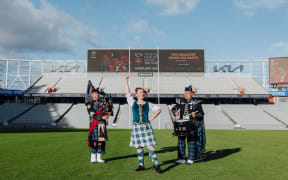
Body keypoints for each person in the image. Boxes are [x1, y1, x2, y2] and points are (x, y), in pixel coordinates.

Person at [124, 75, 162, 174]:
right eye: (140, 92)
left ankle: (156, 165)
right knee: (139, 147)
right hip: (136, 126)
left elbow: (159, 110)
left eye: (143, 92)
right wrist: (126, 82)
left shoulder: (148, 104)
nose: (142, 94)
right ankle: (141, 165)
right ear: (136, 94)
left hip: (146, 126)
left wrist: (151, 118)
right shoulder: (132, 102)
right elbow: (128, 94)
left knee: (150, 146)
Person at [171, 85, 206, 164]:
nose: (186, 95)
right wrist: (175, 112)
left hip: (192, 125)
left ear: (191, 94)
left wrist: (195, 115)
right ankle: (181, 158)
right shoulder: (180, 101)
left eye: (188, 93)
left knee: (191, 141)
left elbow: (201, 114)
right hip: (182, 124)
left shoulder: (196, 102)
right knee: (181, 141)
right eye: (185, 93)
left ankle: (191, 158)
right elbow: (173, 109)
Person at [85, 81, 113, 163]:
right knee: (94, 142)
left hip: (102, 124)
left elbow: (109, 97)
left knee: (100, 142)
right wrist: (102, 117)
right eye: (94, 93)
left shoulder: (102, 102)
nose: (95, 95)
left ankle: (99, 158)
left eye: (97, 93)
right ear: (92, 95)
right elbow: (92, 114)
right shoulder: (89, 103)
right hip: (94, 124)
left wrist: (102, 92)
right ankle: (93, 158)